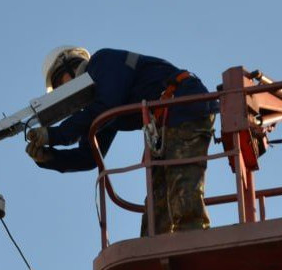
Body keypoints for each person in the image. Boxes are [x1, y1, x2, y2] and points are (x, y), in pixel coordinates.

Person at [25, 47, 218, 235]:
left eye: (60, 84)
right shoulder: (99, 106)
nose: (63, 92)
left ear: (70, 66)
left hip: (184, 105)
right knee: (156, 204)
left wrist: (53, 134)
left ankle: (193, 234)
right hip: (165, 124)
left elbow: (107, 106)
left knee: (181, 183)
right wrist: (49, 157)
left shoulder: (102, 62)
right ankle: (151, 251)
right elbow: (89, 156)